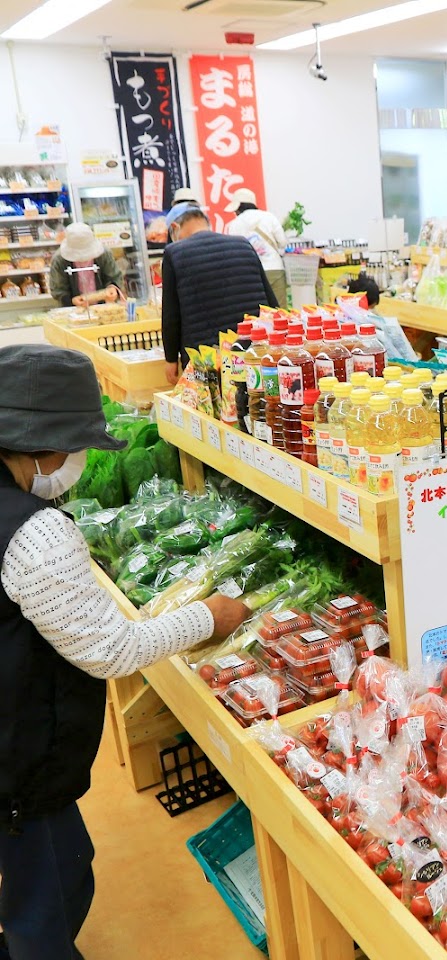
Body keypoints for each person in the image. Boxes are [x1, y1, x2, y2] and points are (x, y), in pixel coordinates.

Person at [0, 344, 250, 960]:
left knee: (52, 870)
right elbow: (111, 650)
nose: (79, 461)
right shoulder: (33, 532)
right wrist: (206, 617)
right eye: (76, 444)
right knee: (49, 892)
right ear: (38, 446)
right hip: (15, 764)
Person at [161, 207, 277, 384]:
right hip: (253, 348)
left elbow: (171, 314)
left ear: (175, 227)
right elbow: (270, 301)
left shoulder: (174, 253)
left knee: (211, 409)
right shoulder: (243, 244)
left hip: (206, 357)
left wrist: (170, 359)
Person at [225, 187, 288, 307]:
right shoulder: (269, 217)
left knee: (257, 312)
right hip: (274, 268)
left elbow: (233, 251)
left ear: (238, 207)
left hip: (249, 273)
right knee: (280, 311)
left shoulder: (234, 225)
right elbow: (283, 242)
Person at [47, 223, 122, 308]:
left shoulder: (104, 254)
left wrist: (112, 288)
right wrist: (71, 300)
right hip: (73, 310)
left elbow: (114, 276)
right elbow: (58, 289)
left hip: (104, 307)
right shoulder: (59, 260)